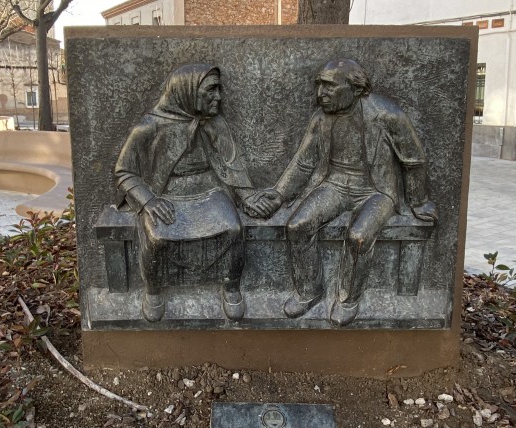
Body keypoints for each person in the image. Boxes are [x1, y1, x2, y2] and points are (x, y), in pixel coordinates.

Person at [247, 59, 437, 326]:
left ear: (356, 89)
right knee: (298, 225)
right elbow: (303, 161)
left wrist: (419, 201)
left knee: (359, 236)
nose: (319, 94)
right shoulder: (321, 118)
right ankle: (309, 291)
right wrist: (279, 194)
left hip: (376, 191)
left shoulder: (387, 115)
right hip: (334, 184)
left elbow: (414, 160)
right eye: (319, 86)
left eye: (329, 87)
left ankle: (348, 298)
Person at [115, 64, 255, 322]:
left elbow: (231, 164)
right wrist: (148, 200)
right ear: (187, 91)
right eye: (211, 90)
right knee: (157, 237)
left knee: (233, 228)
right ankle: (153, 290)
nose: (219, 97)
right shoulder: (149, 127)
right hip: (165, 196)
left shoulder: (215, 123)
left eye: (219, 89)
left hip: (209, 191)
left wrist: (246, 196)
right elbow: (124, 172)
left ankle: (231, 287)